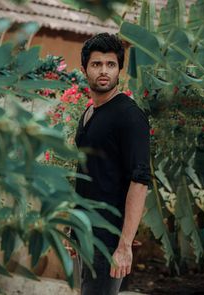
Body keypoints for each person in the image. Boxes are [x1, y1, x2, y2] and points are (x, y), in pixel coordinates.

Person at [74, 33, 150, 295]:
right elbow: (89, 173)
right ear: (84, 69)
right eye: (96, 64)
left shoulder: (130, 117)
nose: (104, 71)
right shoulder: (89, 113)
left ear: (120, 69)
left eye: (111, 64)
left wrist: (125, 244)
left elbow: (139, 181)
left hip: (109, 241)